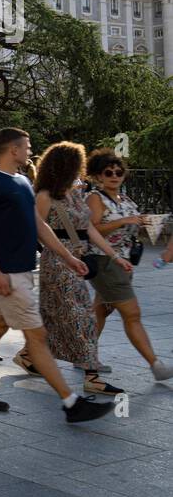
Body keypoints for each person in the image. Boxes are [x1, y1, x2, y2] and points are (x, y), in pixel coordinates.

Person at [0, 128, 112, 422]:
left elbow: (39, 225)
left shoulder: (23, 181)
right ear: (12, 150)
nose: (30, 152)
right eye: (26, 147)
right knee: (38, 336)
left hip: (21, 271)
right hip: (8, 275)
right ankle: (71, 402)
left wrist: (68, 258)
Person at [15, 142, 128, 395]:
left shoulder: (73, 193)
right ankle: (92, 376)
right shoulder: (44, 196)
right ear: (65, 165)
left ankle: (28, 355)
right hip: (58, 263)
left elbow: (88, 228)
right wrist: (65, 255)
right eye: (78, 163)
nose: (82, 168)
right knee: (83, 317)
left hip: (77, 260)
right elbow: (38, 230)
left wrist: (114, 256)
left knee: (54, 315)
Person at [84, 148, 173, 385]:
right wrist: (125, 221)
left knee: (101, 311)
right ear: (98, 176)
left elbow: (129, 224)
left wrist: (143, 222)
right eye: (108, 172)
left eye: (119, 171)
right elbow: (90, 230)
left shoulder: (125, 199)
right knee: (132, 314)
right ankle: (156, 364)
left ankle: (84, 357)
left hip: (122, 262)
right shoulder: (95, 197)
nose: (115, 175)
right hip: (105, 261)